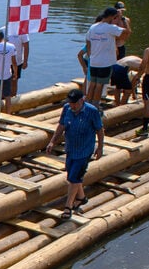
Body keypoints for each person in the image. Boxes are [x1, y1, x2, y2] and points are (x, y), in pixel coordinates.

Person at [44, 88, 104, 220]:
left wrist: (100, 148)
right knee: (72, 175)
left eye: (75, 104)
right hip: (71, 148)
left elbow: (100, 130)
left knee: (73, 178)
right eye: (71, 104)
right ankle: (81, 198)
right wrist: (52, 141)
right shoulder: (66, 109)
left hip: (84, 150)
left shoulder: (92, 111)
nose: (73, 107)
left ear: (82, 100)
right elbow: (61, 125)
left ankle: (68, 206)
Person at [85, 7, 131, 105]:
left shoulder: (93, 27)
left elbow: (88, 41)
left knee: (92, 84)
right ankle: (95, 106)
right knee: (99, 85)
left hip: (94, 61)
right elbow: (127, 32)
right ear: (112, 17)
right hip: (105, 63)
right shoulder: (110, 28)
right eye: (115, 17)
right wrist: (122, 19)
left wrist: (90, 55)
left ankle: (87, 103)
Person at [4, 28, 29, 96]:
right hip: (4, 62)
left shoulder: (22, 32)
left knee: (14, 81)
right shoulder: (3, 30)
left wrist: (25, 61)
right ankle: (3, 99)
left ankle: (13, 98)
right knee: (3, 82)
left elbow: (26, 46)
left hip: (17, 62)